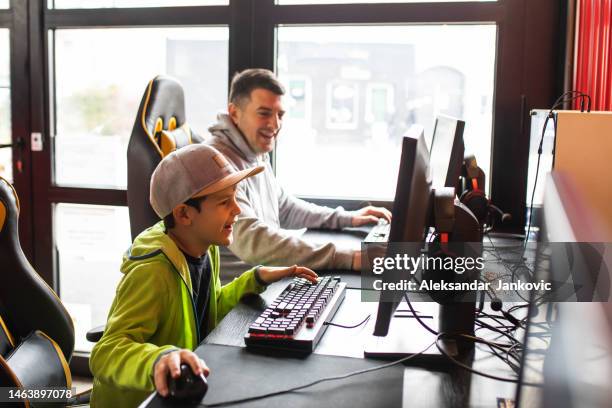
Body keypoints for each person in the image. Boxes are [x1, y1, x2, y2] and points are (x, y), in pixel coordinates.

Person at [89, 144, 318, 407]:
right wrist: (157, 361)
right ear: (184, 214)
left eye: (235, 197)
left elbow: (209, 310)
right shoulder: (153, 271)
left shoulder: (205, 249)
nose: (237, 209)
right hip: (144, 401)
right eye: (224, 202)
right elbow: (105, 354)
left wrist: (256, 279)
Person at [208, 68, 391, 272]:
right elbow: (255, 242)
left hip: (264, 279)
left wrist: (348, 218)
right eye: (264, 113)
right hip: (238, 297)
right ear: (234, 113)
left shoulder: (254, 151)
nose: (275, 124)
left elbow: (285, 208)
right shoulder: (217, 164)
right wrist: (349, 258)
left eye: (280, 114)